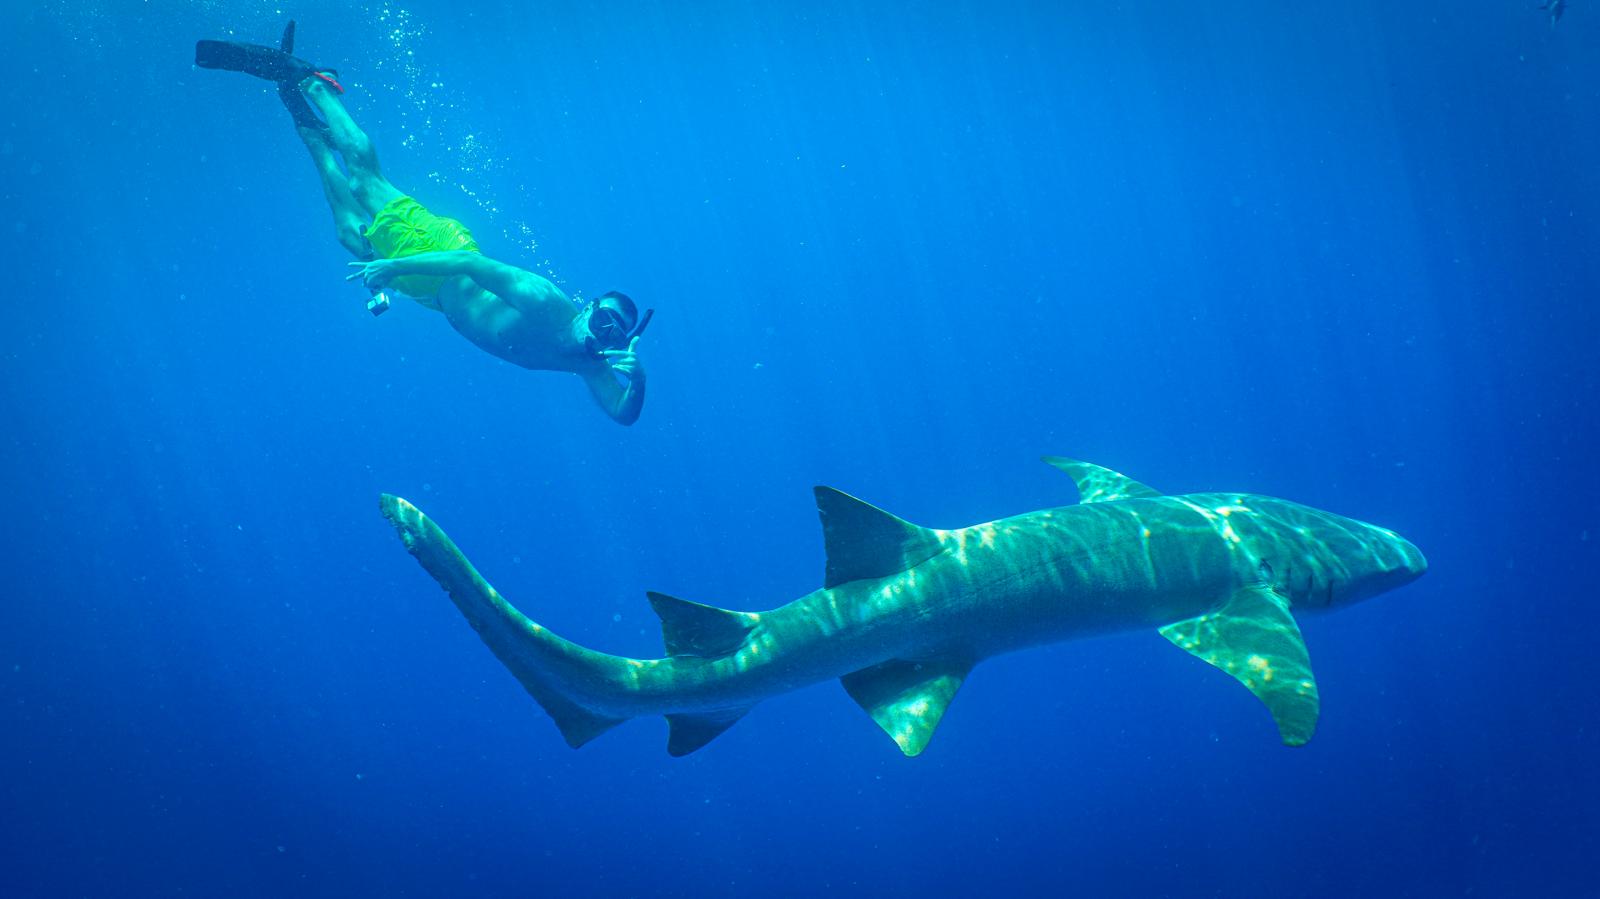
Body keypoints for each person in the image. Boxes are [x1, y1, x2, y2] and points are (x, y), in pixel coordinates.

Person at [196, 22, 649, 425]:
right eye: (603, 319)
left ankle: (312, 135)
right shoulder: (544, 301)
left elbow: (622, 413)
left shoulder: (590, 365)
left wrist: (639, 380)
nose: (603, 333)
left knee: (350, 234)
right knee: (367, 184)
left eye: (615, 332)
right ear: (588, 307)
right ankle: (314, 83)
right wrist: (395, 266)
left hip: (434, 295)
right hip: (443, 254)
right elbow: (471, 263)